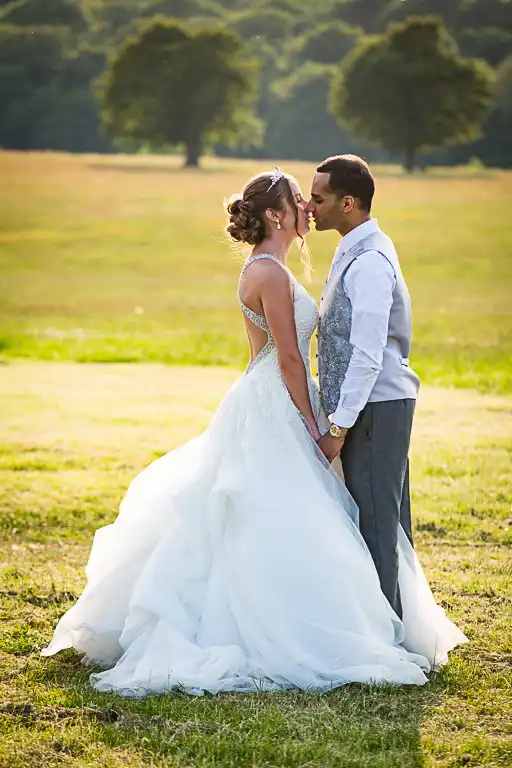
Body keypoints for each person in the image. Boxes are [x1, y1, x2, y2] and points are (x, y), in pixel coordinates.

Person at [41, 169, 467, 698]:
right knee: (274, 513)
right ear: (275, 214)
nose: (308, 208)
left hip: (278, 396)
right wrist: (317, 426)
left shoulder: (279, 267)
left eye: (315, 199)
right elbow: (288, 357)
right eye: (298, 201)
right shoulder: (267, 273)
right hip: (277, 401)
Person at [308, 154, 421, 618]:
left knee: (376, 523)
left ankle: (388, 638)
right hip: (369, 407)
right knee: (383, 519)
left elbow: (368, 354)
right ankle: (394, 627)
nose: (309, 205)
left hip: (377, 407)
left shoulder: (370, 261)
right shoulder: (353, 247)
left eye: (319, 198)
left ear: (348, 203)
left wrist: (338, 427)